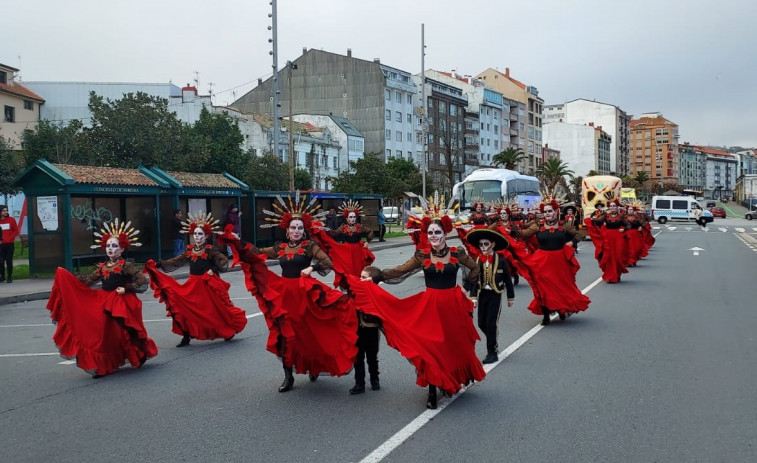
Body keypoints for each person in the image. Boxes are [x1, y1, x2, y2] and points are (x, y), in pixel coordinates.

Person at [347, 193, 485, 410]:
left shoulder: (457, 253)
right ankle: (432, 390)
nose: (433, 236)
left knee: (452, 347)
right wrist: (377, 277)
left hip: (453, 307)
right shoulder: (422, 255)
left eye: (437, 232)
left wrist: (471, 292)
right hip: (430, 306)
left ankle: (449, 380)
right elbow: (401, 270)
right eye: (430, 232)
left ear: (445, 232)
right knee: (430, 348)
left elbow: (475, 268)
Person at [220, 192, 358, 392]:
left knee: (309, 334)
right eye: (293, 227)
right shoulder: (281, 247)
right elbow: (257, 252)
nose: (296, 230)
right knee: (285, 336)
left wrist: (312, 268)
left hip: (304, 295)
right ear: (287, 229)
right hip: (284, 296)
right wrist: (238, 241)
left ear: (304, 230)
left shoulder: (309, 246)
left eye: (300, 228)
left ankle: (315, 365)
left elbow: (328, 261)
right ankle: (288, 377)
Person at [46, 219, 158, 377]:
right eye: (108, 246)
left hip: (120, 302)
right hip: (104, 300)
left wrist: (126, 288)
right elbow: (87, 281)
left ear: (121, 249)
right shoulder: (102, 267)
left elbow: (142, 281)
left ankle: (137, 354)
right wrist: (67, 277)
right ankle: (102, 364)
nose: (111, 249)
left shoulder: (126, 265)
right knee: (102, 333)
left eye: (114, 246)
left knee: (123, 332)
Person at [144, 212, 247, 347]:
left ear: (206, 236)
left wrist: (213, 269)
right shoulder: (189, 250)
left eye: (200, 234)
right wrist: (158, 264)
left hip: (206, 284)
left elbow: (223, 260)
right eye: (196, 234)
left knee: (213, 311)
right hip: (193, 284)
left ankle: (226, 330)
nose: (197, 237)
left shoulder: (210, 250)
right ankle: (186, 335)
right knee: (185, 309)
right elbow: (176, 261)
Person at [514, 199, 590, 325]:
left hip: (560, 262)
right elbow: (523, 234)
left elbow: (579, 235)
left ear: (556, 211)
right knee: (543, 289)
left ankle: (561, 309)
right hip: (542, 261)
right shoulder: (538, 225)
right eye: (545, 212)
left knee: (561, 287)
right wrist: (512, 228)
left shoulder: (564, 225)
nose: (547, 213)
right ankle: (546, 315)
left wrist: (571, 243)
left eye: (549, 211)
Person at [465, 228, 515, 364]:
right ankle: (492, 340)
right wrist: (473, 297)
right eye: (481, 245)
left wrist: (511, 297)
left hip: (495, 295)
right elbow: (474, 280)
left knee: (491, 323)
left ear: (492, 244)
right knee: (481, 323)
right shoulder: (478, 260)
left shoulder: (501, 260)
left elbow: (507, 280)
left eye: (486, 244)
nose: (483, 247)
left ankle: (492, 352)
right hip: (483, 295)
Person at [311, 199, 375, 289]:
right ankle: (349, 284)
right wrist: (324, 226)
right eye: (350, 217)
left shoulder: (360, 227)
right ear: (346, 218)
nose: (352, 219)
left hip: (358, 251)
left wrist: (367, 241)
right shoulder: (343, 227)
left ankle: (359, 284)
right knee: (347, 268)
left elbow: (370, 232)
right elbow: (333, 233)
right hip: (346, 250)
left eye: (354, 217)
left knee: (358, 268)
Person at [349, 265, 383, 394]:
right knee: (358, 357)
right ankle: (359, 383)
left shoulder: (377, 293)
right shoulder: (356, 290)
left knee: (372, 357)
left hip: (371, 330)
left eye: (364, 277)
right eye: (360, 276)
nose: (360, 279)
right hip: (358, 329)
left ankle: (375, 379)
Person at [592, 199, 629, 284]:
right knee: (608, 257)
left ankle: (617, 274)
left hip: (618, 238)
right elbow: (598, 222)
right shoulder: (606, 216)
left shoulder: (621, 217)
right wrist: (592, 220)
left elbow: (629, 225)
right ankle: (609, 275)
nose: (612, 208)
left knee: (618, 257)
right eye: (611, 206)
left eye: (614, 206)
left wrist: (624, 229)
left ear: (617, 207)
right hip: (608, 239)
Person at [0, 205, 19, 283]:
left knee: (9, 260)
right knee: (1, 261)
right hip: (0, 244)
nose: (6, 212)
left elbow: (16, 230)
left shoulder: (11, 220)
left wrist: (10, 238)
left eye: (6, 210)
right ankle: (2, 276)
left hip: (9, 244)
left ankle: (9, 276)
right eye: (4, 211)